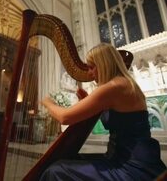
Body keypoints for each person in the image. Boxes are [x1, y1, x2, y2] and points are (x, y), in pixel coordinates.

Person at [40, 43, 166, 181]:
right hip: (128, 157)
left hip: (131, 166)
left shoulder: (114, 86)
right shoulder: (124, 83)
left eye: (92, 67)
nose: (89, 72)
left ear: (104, 64)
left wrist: (47, 102)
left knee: (55, 170)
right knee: (69, 160)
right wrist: (88, 101)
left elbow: (64, 117)